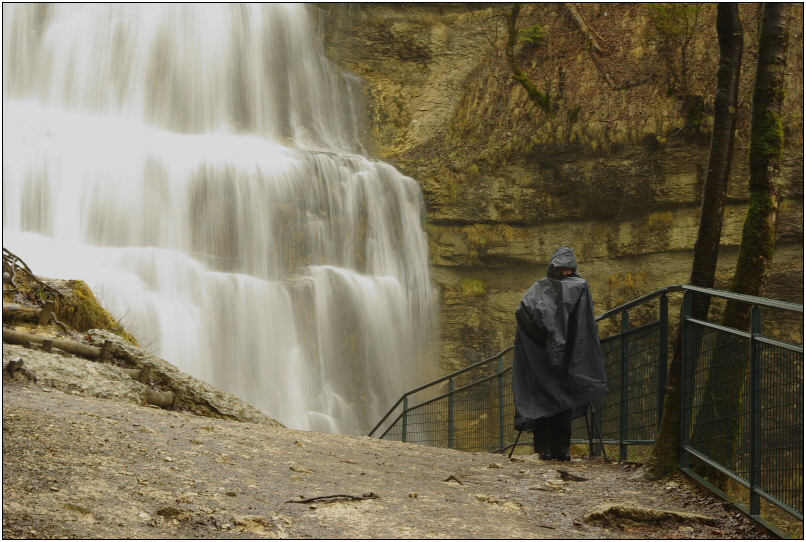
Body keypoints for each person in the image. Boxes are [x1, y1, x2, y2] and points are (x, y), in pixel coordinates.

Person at [511, 246, 608, 461]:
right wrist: (545, 327)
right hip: (542, 355)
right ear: (552, 268)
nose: (564, 273)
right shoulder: (540, 287)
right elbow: (523, 311)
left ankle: (562, 448)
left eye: (568, 269)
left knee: (565, 401)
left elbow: (583, 322)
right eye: (560, 269)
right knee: (542, 400)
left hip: (569, 356)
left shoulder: (580, 286)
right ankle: (544, 448)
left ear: (573, 268)